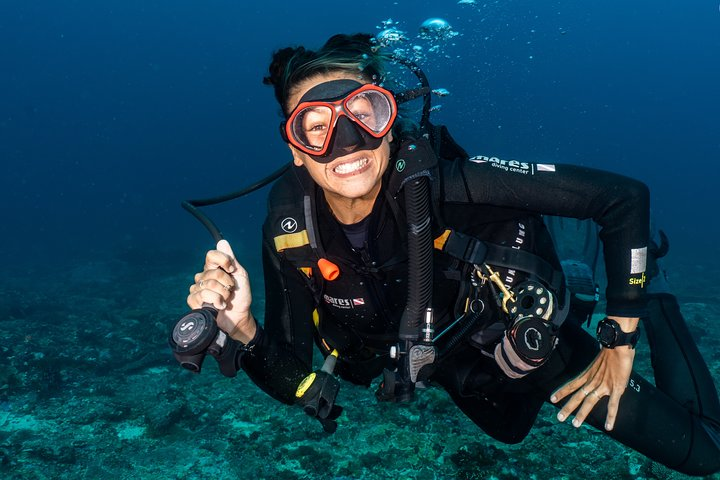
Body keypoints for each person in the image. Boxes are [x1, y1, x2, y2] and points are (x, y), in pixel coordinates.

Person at [183, 33, 720, 475]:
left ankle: (657, 292)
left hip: (513, 332)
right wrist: (244, 328)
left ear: (390, 123)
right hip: (449, 363)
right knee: (509, 431)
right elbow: (296, 376)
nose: (346, 142)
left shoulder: (448, 184)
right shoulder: (289, 232)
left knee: (703, 453)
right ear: (296, 149)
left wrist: (622, 332)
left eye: (363, 113)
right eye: (316, 127)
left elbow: (622, 198)